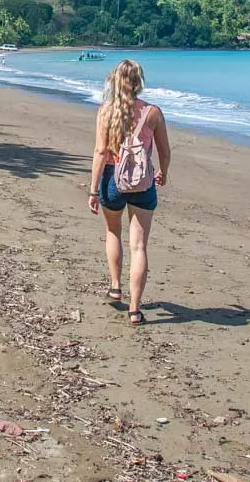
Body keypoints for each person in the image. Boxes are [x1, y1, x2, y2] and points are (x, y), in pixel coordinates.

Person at [88, 59, 171, 325]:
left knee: (113, 232)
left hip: (113, 178)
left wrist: (92, 189)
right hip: (143, 182)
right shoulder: (152, 113)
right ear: (139, 82)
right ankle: (134, 310)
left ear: (115, 80)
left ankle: (115, 285)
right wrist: (163, 173)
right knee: (139, 246)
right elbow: (164, 152)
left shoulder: (106, 111)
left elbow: (101, 152)